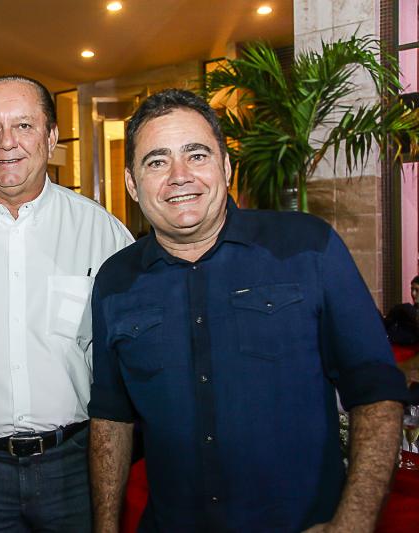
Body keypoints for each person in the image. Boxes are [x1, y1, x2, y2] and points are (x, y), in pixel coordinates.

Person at [89, 88, 407, 532]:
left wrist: (352, 523)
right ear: (131, 184)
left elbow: (375, 390)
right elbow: (111, 418)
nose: (179, 176)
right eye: (157, 162)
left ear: (225, 167)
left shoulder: (308, 247)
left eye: (196, 155)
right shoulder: (114, 280)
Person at [0, 75, 133, 531]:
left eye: (24, 125)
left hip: (73, 464)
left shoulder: (101, 231)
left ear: (51, 137)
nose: (6, 142)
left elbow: (134, 346)